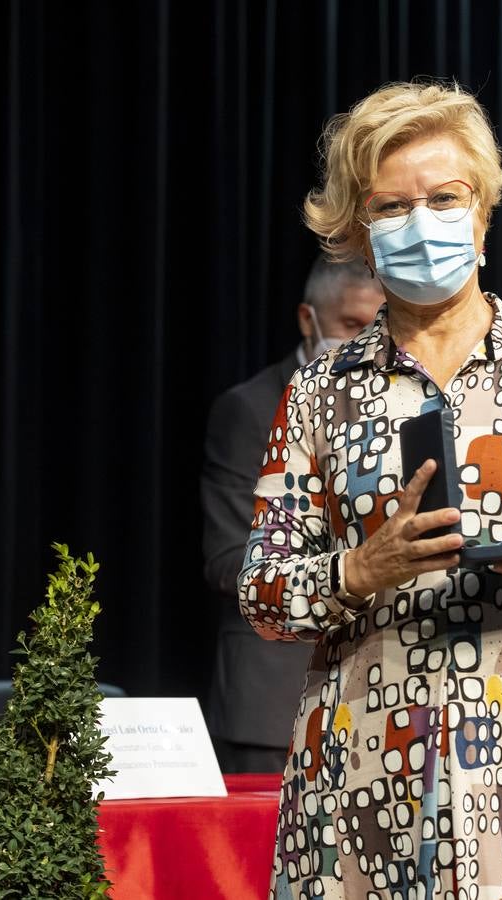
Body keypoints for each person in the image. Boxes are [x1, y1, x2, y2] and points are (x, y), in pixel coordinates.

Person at [237, 81, 502, 899]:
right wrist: (362, 569)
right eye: (391, 207)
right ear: (359, 236)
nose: (422, 221)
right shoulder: (319, 391)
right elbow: (263, 593)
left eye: (443, 198)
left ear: (480, 214)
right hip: (361, 763)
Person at [202, 254, 383, 774]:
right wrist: (359, 569)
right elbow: (227, 559)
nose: (367, 340)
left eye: (380, 325)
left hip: (384, 696)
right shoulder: (251, 409)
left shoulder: (410, 407)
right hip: (275, 703)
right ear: (310, 320)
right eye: (352, 325)